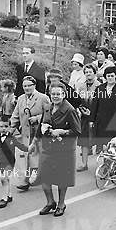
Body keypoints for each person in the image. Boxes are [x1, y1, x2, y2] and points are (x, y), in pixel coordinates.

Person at [29, 82, 81, 218]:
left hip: (64, 150)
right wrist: (34, 143)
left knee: (61, 178)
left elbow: (77, 131)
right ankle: (50, 202)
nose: (55, 96)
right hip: (47, 148)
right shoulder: (47, 107)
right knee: (44, 175)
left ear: (64, 95)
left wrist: (62, 131)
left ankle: (61, 204)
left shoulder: (70, 110)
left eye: (58, 94)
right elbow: (41, 126)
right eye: (53, 94)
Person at [11, 75, 51, 190]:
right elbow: (16, 115)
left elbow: (49, 114)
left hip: (39, 133)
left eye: (29, 85)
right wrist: (11, 128)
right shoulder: (21, 99)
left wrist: (37, 118)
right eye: (25, 86)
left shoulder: (43, 98)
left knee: (38, 157)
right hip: (26, 133)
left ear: (34, 86)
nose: (27, 88)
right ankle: (26, 181)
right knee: (27, 157)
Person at [90, 66, 116, 151]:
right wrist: (92, 120)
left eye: (112, 76)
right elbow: (95, 105)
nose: (110, 78)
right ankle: (105, 162)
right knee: (104, 146)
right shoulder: (99, 89)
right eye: (108, 76)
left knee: (115, 146)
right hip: (102, 121)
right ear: (105, 77)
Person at [75, 64, 100, 172]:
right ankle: (84, 164)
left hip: (96, 116)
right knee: (83, 141)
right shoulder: (80, 86)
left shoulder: (100, 86)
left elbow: (101, 103)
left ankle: (102, 165)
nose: (88, 74)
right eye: (86, 72)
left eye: (90, 72)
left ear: (94, 73)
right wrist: (81, 110)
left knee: (100, 141)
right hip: (84, 117)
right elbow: (77, 101)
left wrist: (93, 113)